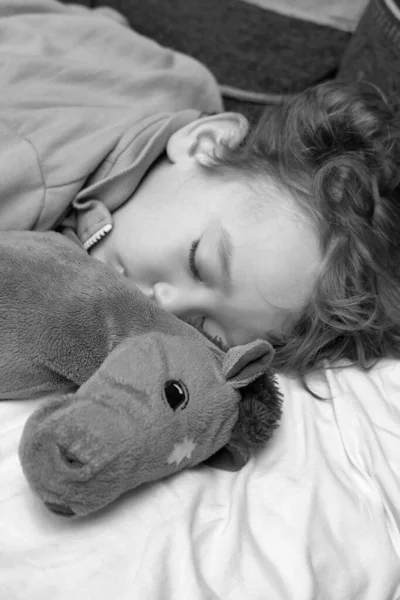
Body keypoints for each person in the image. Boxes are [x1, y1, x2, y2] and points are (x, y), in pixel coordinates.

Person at [1, 0, 400, 386]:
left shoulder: (188, 84)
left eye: (205, 330)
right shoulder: (31, 180)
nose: (166, 304)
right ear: (203, 142)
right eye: (198, 264)